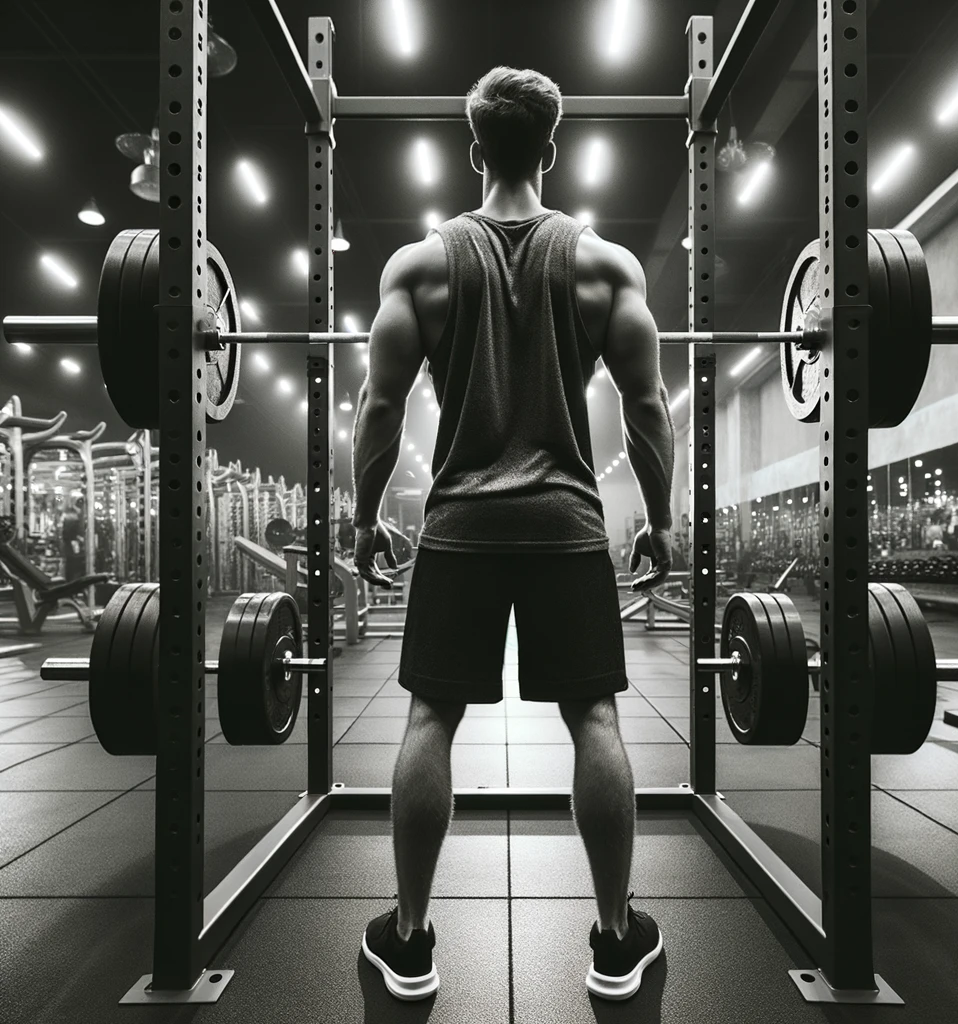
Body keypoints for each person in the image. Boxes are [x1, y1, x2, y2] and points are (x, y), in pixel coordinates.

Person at [349, 66, 671, 1002]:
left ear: (476, 148)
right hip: (567, 521)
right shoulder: (608, 266)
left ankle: (408, 941)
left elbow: (377, 408)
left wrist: (365, 518)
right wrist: (658, 521)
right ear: (554, 148)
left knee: (428, 720)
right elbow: (647, 407)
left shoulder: (420, 267)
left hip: (459, 526)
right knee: (596, 720)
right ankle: (616, 941)